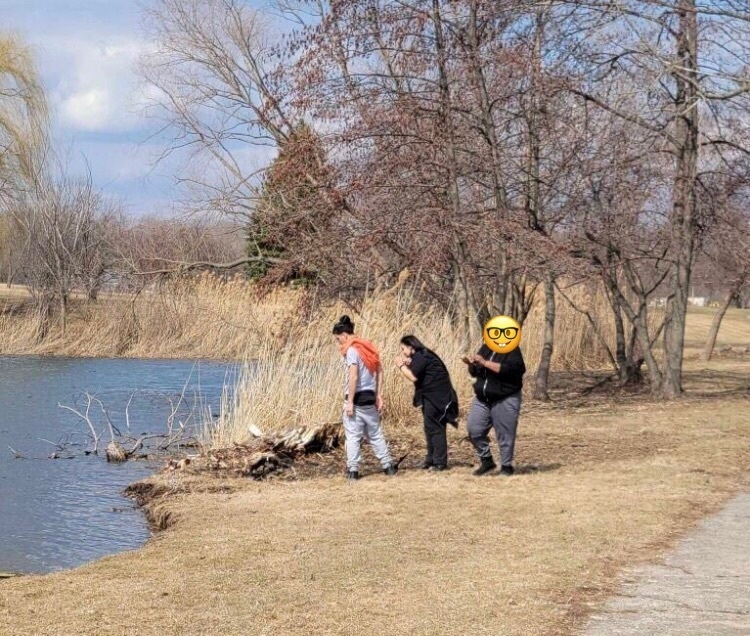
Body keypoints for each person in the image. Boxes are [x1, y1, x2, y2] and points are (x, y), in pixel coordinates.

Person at [332, 315, 398, 480]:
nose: (338, 342)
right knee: (375, 433)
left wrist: (350, 402)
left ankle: (353, 470)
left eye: (338, 338)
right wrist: (378, 395)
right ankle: (388, 465)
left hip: (357, 398)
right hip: (369, 397)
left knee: (353, 435)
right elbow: (380, 371)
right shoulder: (367, 348)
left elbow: (353, 377)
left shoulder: (352, 350)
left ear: (345, 335)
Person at [462, 342, 526, 476]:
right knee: (474, 429)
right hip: (483, 397)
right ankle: (487, 461)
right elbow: (476, 372)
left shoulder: (512, 349)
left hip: (505, 396)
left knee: (504, 433)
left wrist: (485, 363)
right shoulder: (486, 348)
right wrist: (470, 365)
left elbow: (513, 370)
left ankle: (506, 467)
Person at [395, 335, 458, 471]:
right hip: (430, 396)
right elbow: (417, 368)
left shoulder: (422, 356)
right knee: (429, 428)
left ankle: (440, 463)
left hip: (438, 398)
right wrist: (408, 363)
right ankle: (430, 460)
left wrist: (400, 365)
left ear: (411, 347)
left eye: (403, 349)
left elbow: (412, 376)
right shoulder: (422, 355)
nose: (403, 352)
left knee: (436, 428)